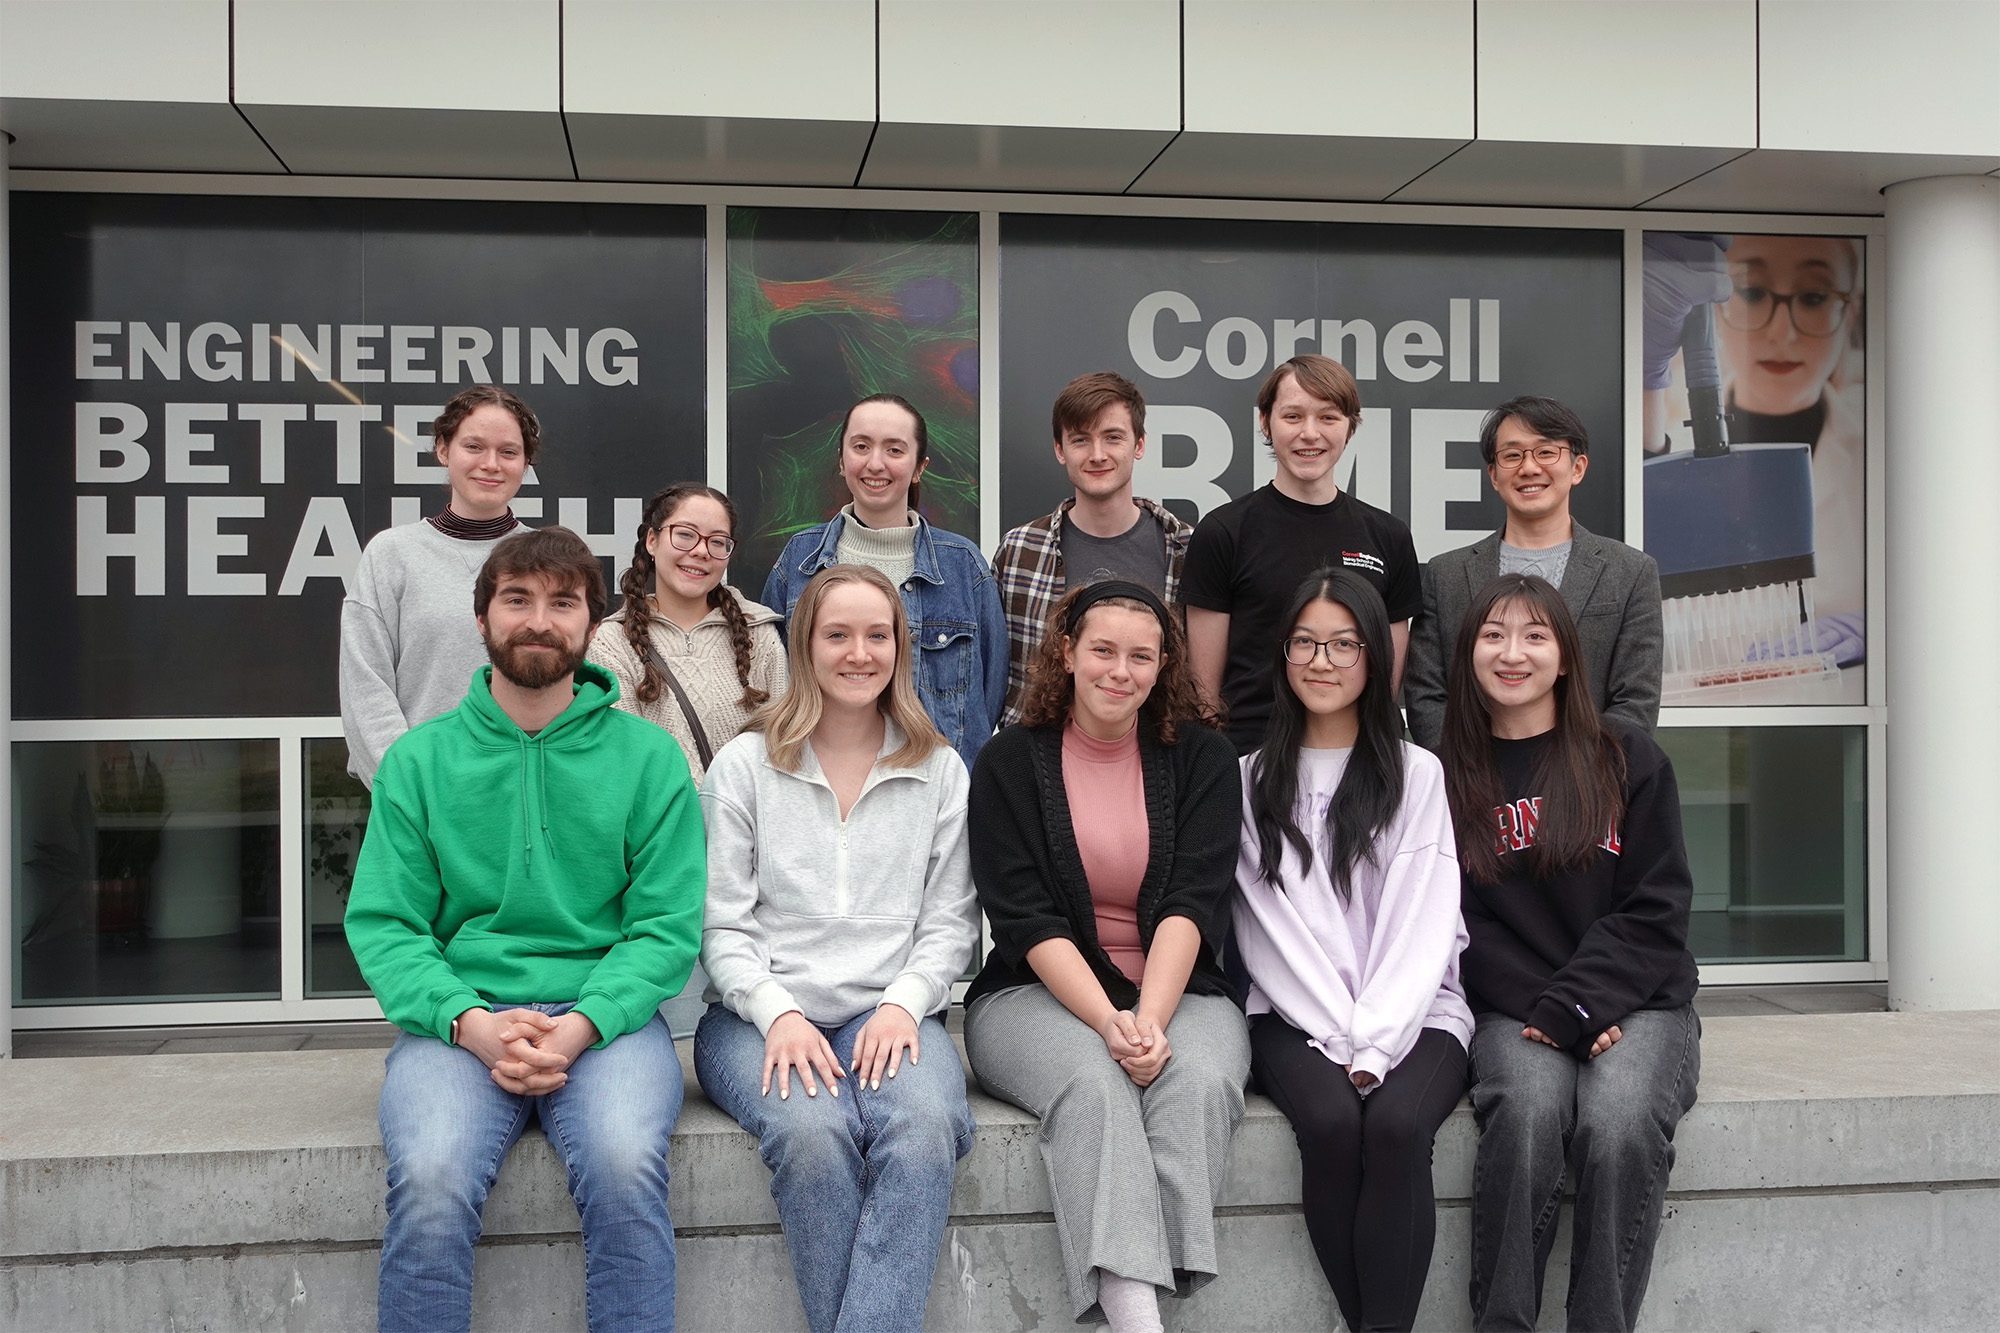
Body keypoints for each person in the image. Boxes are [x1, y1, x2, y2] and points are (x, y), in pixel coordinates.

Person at [344, 526, 706, 1333]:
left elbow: (665, 927)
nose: (538, 620)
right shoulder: (419, 762)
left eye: (562, 602)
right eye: (517, 599)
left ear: (591, 624)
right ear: (482, 619)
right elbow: (386, 924)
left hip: (604, 1020)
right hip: (461, 1016)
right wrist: (470, 1024)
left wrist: (579, 1027)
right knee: (432, 1175)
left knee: (622, 1166)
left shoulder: (648, 761)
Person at [695, 564, 980, 1333]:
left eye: (878, 634)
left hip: (889, 1011)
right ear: (804, 644)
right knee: (813, 1134)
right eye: (838, 634)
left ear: (900, 647)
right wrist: (777, 1013)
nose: (860, 652)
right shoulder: (745, 766)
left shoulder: (939, 767)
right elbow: (719, 924)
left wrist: (904, 1003)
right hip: (755, 1018)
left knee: (924, 1127)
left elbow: (951, 921)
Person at [964, 580, 1248, 1333]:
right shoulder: (1008, 763)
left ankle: (1140, 1298)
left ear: (1163, 666)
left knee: (1203, 1078)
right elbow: (1024, 916)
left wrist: (1150, 1019)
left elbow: (1195, 899)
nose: (1120, 671)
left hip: (1178, 985)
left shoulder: (1206, 759)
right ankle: (1137, 1321)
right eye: (1102, 651)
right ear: (1066, 651)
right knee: (1094, 1083)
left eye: (1141, 656)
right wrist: (1109, 1021)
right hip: (1035, 990)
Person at [1439, 573, 1701, 1333]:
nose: (1511, 652)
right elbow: (1454, 924)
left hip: (1640, 999)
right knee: (1524, 1114)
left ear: (1564, 657)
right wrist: (1557, 1007)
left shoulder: (1627, 759)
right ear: (1468, 654)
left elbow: (1656, 911)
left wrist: (1579, 1004)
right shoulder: (1443, 777)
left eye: (1533, 635)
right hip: (1514, 1002)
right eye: (1492, 635)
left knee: (1617, 1122)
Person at [1232, 568, 1472, 1333]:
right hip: (1294, 1009)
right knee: (1333, 1125)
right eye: (1305, 642)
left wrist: (1376, 1037)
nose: (1322, 660)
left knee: (1399, 1127)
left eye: (1343, 643)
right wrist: (1344, 1038)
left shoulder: (1416, 773)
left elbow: (1422, 923)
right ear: (1282, 654)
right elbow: (1271, 932)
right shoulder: (1250, 779)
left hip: (1416, 1006)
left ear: (1375, 657)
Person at [1643, 232, 1866, 667]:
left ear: (1850, 310)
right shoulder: (1658, 447)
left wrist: (1874, 628)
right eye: (1752, 291)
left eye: (1814, 297)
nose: (1782, 333)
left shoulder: (1894, 457)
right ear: (1715, 308)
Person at [1182, 354, 1421, 754]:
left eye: (1328, 417)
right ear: (1266, 422)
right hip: (1249, 757)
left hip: (1357, 760)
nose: (1310, 434)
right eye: (1293, 417)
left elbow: (1386, 680)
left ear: (1350, 427)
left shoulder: (1389, 536)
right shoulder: (1224, 531)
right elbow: (1204, 694)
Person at [762, 392, 1007, 769]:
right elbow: (773, 678)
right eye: (861, 446)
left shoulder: (962, 565)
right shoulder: (799, 559)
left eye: (894, 450)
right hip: (818, 787)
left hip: (935, 794)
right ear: (842, 461)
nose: (875, 464)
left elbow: (990, 692)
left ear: (919, 467)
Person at [1406, 396, 1662, 751]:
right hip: (1470, 786)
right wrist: (1468, 771)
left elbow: (1637, 701)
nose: (1529, 468)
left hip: (1588, 787)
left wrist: (1582, 774)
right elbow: (1425, 694)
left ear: (1577, 467)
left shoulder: (1630, 572)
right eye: (1512, 455)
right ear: (1494, 475)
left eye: (1546, 452)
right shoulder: (1445, 574)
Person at [340, 384, 536, 788]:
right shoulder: (392, 553)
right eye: (474, 447)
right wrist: (408, 787)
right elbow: (366, 685)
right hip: (417, 792)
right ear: (444, 451)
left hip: (525, 791)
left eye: (508, 452)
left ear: (525, 463)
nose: (491, 464)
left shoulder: (550, 560)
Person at [992, 370, 1193, 723]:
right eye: (1081, 440)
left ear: (1140, 444)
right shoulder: (1020, 550)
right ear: (1060, 449)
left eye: (1113, 437)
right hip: (1035, 759)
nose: (1097, 454)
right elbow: (994, 674)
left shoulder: (1184, 549)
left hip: (1153, 759)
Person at [588, 482, 787, 783]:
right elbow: (622, 761)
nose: (700, 551)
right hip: (658, 826)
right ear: (652, 540)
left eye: (718, 542)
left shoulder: (759, 634)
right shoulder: (612, 643)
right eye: (685, 535)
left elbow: (783, 749)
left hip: (745, 825)